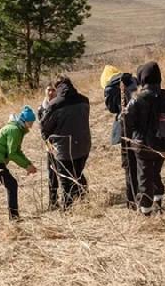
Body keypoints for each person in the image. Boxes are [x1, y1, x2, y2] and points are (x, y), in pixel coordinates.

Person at [123, 62, 165, 215]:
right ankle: (158, 203)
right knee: (155, 173)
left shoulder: (137, 99)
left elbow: (126, 121)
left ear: (142, 78)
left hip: (143, 145)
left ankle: (146, 212)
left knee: (144, 177)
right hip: (164, 143)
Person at [40, 76, 91, 210]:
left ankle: (67, 211)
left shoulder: (55, 105)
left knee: (65, 182)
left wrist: (49, 140)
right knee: (77, 174)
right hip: (84, 146)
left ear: (58, 88)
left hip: (64, 149)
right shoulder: (84, 100)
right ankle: (84, 202)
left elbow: (45, 128)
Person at [0, 106, 38, 221]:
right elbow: (12, 153)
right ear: (24, 121)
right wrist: (26, 166)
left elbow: (17, 151)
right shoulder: (15, 130)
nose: (32, 125)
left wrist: (28, 163)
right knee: (12, 185)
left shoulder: (16, 128)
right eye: (31, 122)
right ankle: (14, 217)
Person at [102, 66, 139, 209]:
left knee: (129, 166)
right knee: (142, 164)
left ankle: (132, 201)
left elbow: (112, 108)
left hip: (125, 128)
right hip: (140, 126)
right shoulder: (133, 79)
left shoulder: (110, 88)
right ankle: (145, 196)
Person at [38, 83, 59, 210]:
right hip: (50, 147)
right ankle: (53, 202)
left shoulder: (60, 105)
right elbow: (42, 130)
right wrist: (48, 144)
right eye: (48, 90)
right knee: (52, 175)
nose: (51, 92)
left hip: (62, 144)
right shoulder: (41, 108)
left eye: (53, 90)